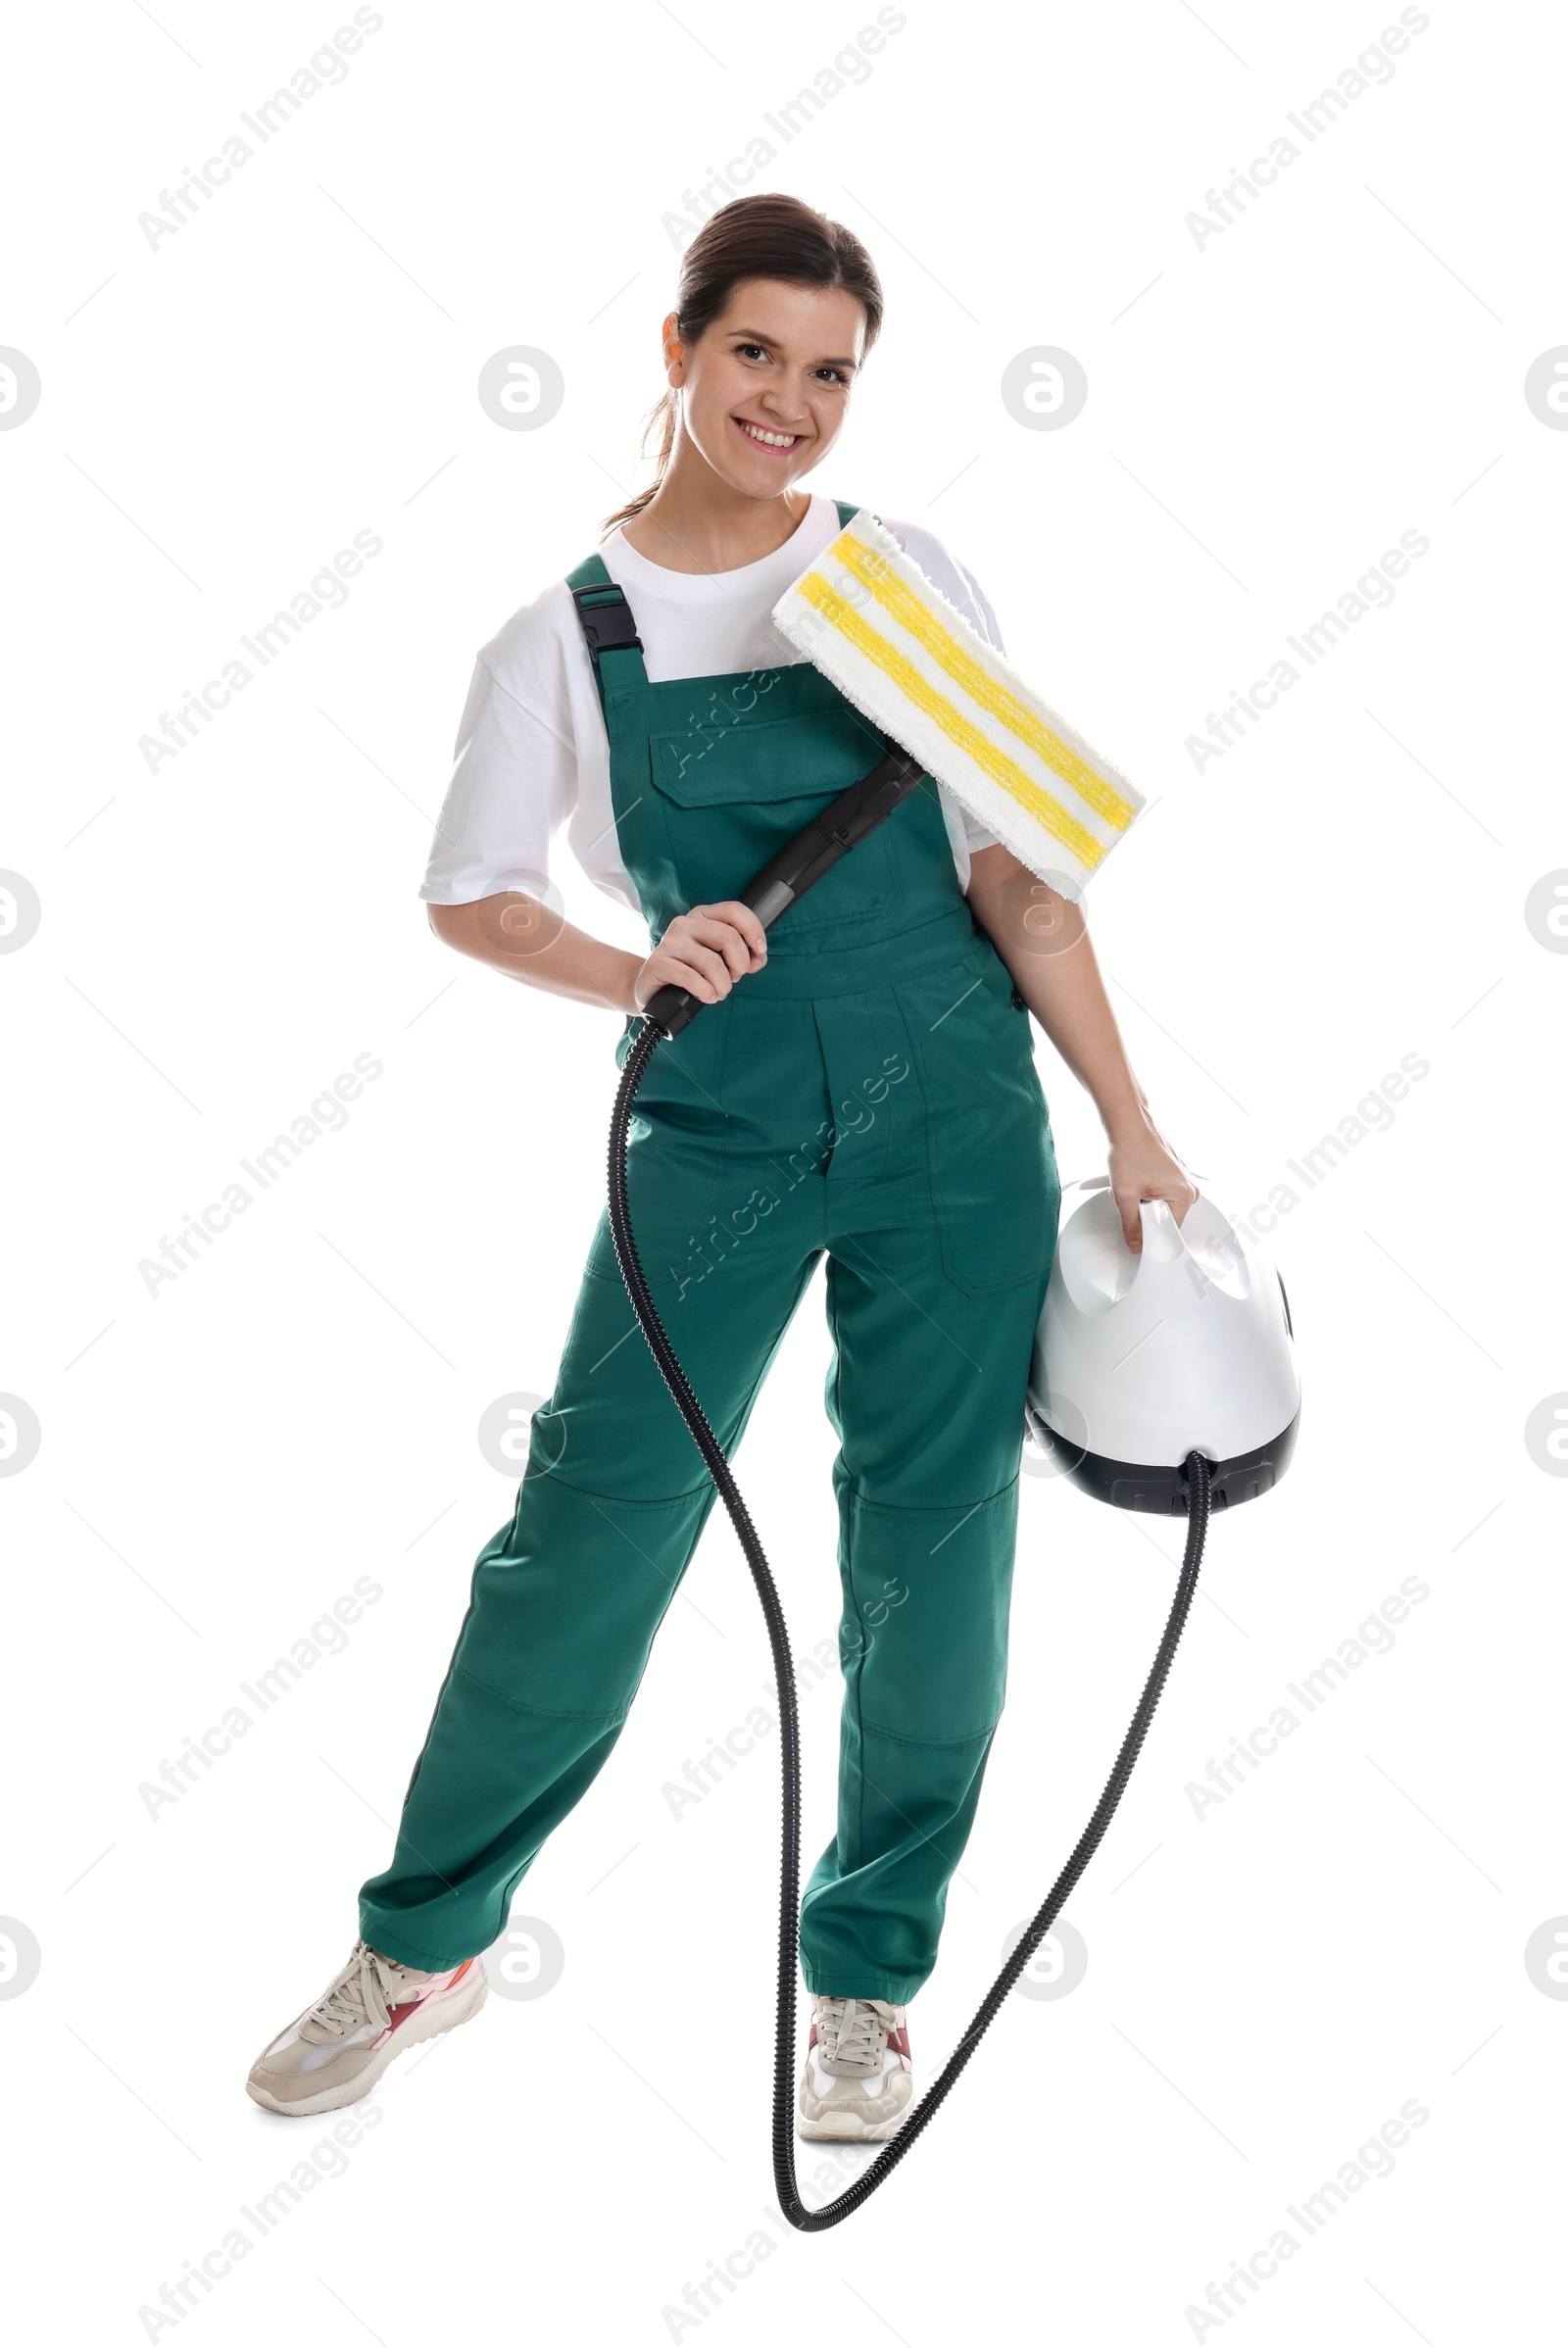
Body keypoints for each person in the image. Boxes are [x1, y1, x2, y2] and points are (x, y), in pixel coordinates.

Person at [246, 192, 1196, 2141]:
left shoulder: (903, 571)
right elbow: (469, 896)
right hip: (715, 1136)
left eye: (831, 370)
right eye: (754, 351)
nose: (791, 399)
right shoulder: (560, 640)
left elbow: (1013, 868)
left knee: (930, 1546)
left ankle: (862, 1984)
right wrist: (632, 964)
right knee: (588, 1527)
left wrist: (1130, 1119)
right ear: (674, 350)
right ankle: (422, 1945)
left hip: (955, 1134)